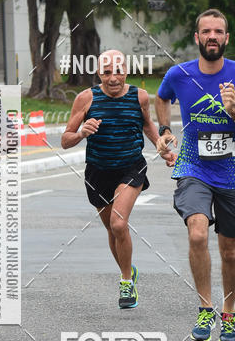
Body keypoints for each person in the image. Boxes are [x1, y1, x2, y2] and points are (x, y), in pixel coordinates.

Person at [155, 9, 235, 341]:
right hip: (193, 166)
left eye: (218, 31)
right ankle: (205, 308)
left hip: (232, 172)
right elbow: (162, 97)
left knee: (229, 251)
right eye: (206, 31)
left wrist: (232, 110)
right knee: (198, 234)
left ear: (226, 38)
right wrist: (164, 129)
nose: (212, 36)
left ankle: (228, 313)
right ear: (197, 37)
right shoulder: (179, 74)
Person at [62, 50, 174, 308]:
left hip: (130, 167)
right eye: (106, 72)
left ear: (127, 71)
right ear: (98, 73)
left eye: (118, 71)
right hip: (98, 171)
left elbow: (147, 124)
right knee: (112, 229)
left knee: (119, 224)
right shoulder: (86, 98)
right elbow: (65, 140)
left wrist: (163, 148)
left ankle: (126, 282)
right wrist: (81, 133)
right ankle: (128, 269)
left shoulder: (139, 96)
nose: (113, 78)